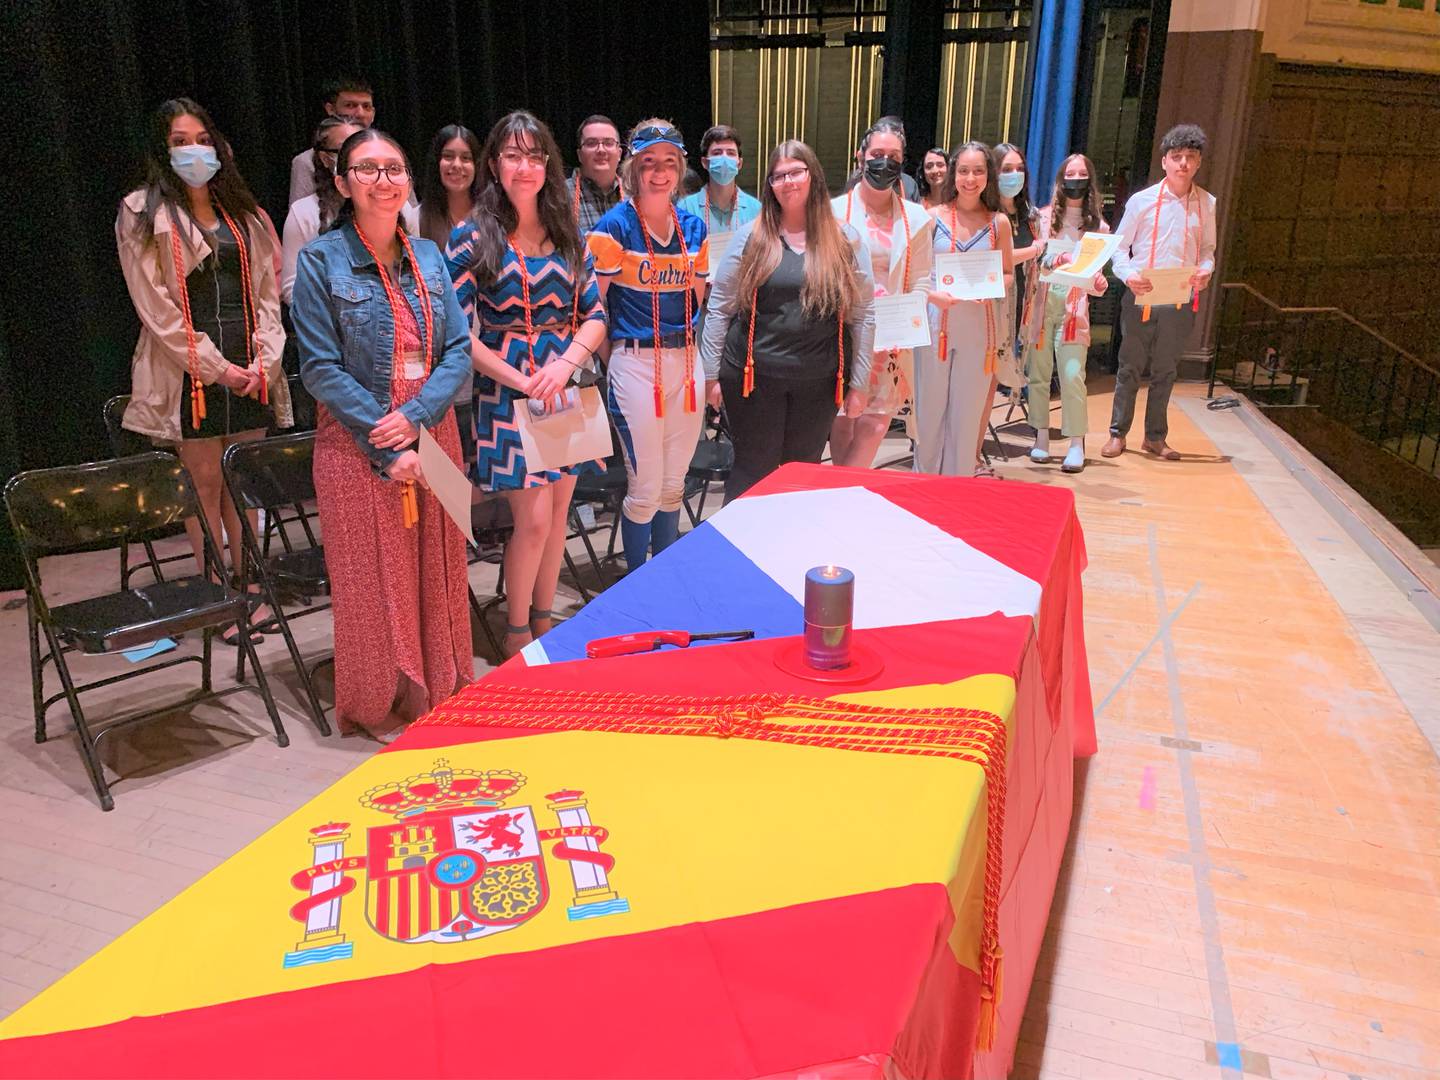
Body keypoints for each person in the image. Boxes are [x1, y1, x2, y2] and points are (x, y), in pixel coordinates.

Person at [291, 128, 473, 738]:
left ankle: (438, 687)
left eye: (394, 167)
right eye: (367, 169)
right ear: (343, 183)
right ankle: (381, 701)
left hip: (430, 425)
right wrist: (384, 437)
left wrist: (417, 418)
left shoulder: (428, 255)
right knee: (373, 577)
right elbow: (318, 367)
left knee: (437, 564)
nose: (384, 179)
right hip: (357, 440)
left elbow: (456, 349)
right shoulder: (321, 260)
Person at [116, 98, 291, 643]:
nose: (193, 150)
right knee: (206, 485)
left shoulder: (243, 210)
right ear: (162, 151)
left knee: (243, 481)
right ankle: (219, 590)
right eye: (178, 141)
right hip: (191, 371)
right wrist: (218, 368)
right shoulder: (141, 211)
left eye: (200, 138)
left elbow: (266, 294)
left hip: (250, 363)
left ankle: (252, 584)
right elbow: (157, 310)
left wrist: (264, 357)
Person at [447, 112, 608, 657]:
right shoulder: (471, 236)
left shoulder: (567, 232)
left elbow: (595, 315)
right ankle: (516, 629)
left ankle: (543, 619)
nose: (524, 166)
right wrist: (523, 379)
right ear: (494, 164)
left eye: (534, 156)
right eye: (512, 156)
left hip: (563, 386)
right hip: (506, 392)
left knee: (560, 513)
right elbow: (457, 334)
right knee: (533, 521)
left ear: (547, 164)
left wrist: (565, 365)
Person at [701, 140, 875, 501]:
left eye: (796, 172)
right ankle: (742, 551)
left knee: (802, 473)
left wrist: (859, 384)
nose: (788, 181)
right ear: (770, 185)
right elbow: (720, 307)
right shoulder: (751, 237)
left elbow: (863, 315)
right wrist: (710, 375)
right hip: (753, 380)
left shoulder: (845, 239)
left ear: (813, 176)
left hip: (820, 381)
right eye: (779, 176)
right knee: (753, 471)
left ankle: (788, 552)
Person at [587, 119, 708, 571]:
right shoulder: (612, 227)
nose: (660, 172)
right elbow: (592, 309)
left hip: (685, 361)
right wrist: (616, 359)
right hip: (636, 364)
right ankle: (636, 583)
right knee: (645, 488)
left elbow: (699, 301)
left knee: (674, 483)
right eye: (649, 162)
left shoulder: (692, 227)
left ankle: (665, 579)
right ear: (632, 167)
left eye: (670, 163)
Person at [1107, 123, 1216, 461]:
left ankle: (1155, 437)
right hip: (1142, 295)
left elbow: (1208, 251)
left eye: (1190, 157)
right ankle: (1117, 433)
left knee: (1166, 370)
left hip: (1180, 298)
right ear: (1165, 161)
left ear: (1198, 163)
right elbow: (1118, 249)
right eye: (1177, 157)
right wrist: (1129, 277)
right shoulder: (1141, 202)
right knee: (1129, 368)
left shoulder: (1207, 203)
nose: (1183, 163)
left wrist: (1205, 272)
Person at [829, 118, 934, 469]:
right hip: (845, 333)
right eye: (877, 153)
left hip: (892, 337)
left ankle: (842, 492)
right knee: (843, 420)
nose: (884, 162)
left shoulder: (917, 218)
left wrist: (911, 319)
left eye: (893, 155)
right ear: (861, 156)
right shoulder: (832, 212)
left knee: (875, 423)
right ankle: (844, 496)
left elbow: (922, 278)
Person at [924, 141, 1015, 477]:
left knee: (967, 414)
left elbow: (1007, 273)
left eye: (978, 171)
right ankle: (923, 487)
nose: (970, 178)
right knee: (930, 414)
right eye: (963, 170)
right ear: (953, 174)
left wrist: (991, 286)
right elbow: (917, 274)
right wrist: (934, 295)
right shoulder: (933, 218)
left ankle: (957, 487)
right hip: (937, 326)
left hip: (980, 326)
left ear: (988, 176)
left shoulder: (998, 223)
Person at [1022, 154, 1109, 472]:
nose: (1075, 178)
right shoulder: (1043, 218)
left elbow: (1095, 281)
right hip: (1044, 304)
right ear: (1060, 180)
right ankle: (1041, 437)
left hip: (1075, 308)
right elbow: (1034, 263)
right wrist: (1049, 263)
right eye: (1070, 173)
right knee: (1039, 375)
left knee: (1073, 376)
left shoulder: (1099, 227)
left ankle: (1076, 443)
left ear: (1089, 180)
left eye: (1081, 173)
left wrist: (1099, 283)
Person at [280, 117, 361, 304]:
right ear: (326, 158)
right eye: (346, 150)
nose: (358, 158)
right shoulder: (304, 213)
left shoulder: (396, 205)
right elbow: (293, 287)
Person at [994, 141, 1043, 386]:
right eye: (1006, 169)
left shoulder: (1031, 215)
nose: (1014, 175)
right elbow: (997, 258)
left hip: (1022, 298)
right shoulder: (987, 214)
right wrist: (1033, 250)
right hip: (994, 301)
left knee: (1008, 362)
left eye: (1019, 169)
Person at [288, 77, 375, 205]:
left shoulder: (390, 155)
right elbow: (300, 214)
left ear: (373, 114)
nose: (360, 113)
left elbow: (409, 213)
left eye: (366, 106)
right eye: (350, 105)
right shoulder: (306, 162)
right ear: (330, 109)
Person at [677, 124, 761, 237]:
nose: (724, 158)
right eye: (717, 153)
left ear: (739, 163)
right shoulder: (686, 208)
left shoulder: (755, 209)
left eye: (731, 153)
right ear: (705, 162)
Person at [419, 124, 482, 248]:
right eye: (448, 156)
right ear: (436, 162)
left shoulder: (493, 217)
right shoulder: (416, 219)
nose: (457, 165)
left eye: (466, 158)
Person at [571, 114, 624, 233]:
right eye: (591, 143)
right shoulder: (558, 196)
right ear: (579, 155)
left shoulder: (636, 195)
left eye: (608, 143)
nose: (601, 150)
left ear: (619, 153)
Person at [916, 147, 948, 212]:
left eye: (940, 165)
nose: (935, 171)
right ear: (923, 173)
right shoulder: (918, 206)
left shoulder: (960, 204)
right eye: (929, 166)